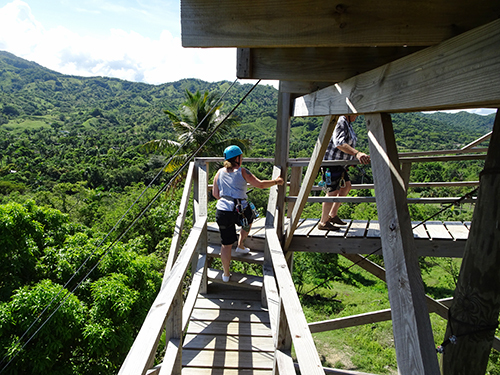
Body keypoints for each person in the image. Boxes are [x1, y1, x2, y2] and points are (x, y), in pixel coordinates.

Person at [212, 145, 284, 282]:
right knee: (249, 219)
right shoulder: (242, 171)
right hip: (240, 209)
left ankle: (226, 274)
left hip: (222, 210)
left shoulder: (219, 173)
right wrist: (276, 181)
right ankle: (241, 245)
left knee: (225, 245)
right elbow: (261, 184)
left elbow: (215, 194)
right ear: (238, 158)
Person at [318, 115, 371, 230]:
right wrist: (357, 153)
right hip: (332, 164)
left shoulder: (347, 123)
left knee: (346, 187)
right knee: (332, 192)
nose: (357, 116)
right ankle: (323, 222)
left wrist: (353, 159)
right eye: (355, 113)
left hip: (340, 165)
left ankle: (332, 215)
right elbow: (339, 143)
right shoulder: (341, 121)